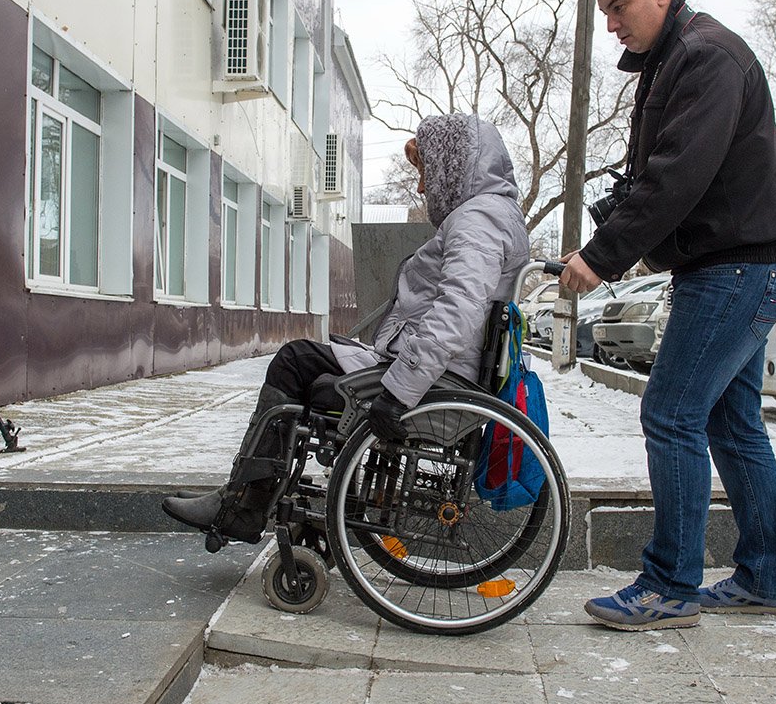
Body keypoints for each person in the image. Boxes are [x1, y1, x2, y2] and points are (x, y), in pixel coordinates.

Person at [560, 0, 776, 631]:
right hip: (741, 265)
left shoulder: (704, 56)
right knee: (732, 424)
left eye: (619, 6)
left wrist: (601, 257)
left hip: (735, 271)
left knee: (670, 414)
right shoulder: (679, 58)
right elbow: (664, 179)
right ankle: (767, 575)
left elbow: (674, 178)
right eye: (604, 12)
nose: (612, 24)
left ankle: (670, 585)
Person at [162, 113, 530, 545]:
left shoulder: (478, 220)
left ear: (452, 163)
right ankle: (242, 498)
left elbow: (458, 310)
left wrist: (399, 390)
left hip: (431, 381)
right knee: (301, 362)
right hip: (439, 372)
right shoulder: (490, 215)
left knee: (294, 362)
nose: (422, 187)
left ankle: (243, 505)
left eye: (426, 171)